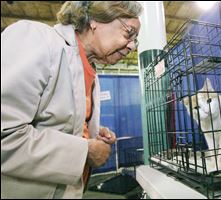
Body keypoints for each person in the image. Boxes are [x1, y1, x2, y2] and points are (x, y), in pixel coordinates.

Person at [1, 1, 142, 198]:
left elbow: (57, 122)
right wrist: (85, 151)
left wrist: (90, 133)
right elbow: (5, 133)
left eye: (136, 40)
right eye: (129, 33)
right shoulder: (35, 38)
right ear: (96, 20)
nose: (132, 46)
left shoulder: (91, 70)